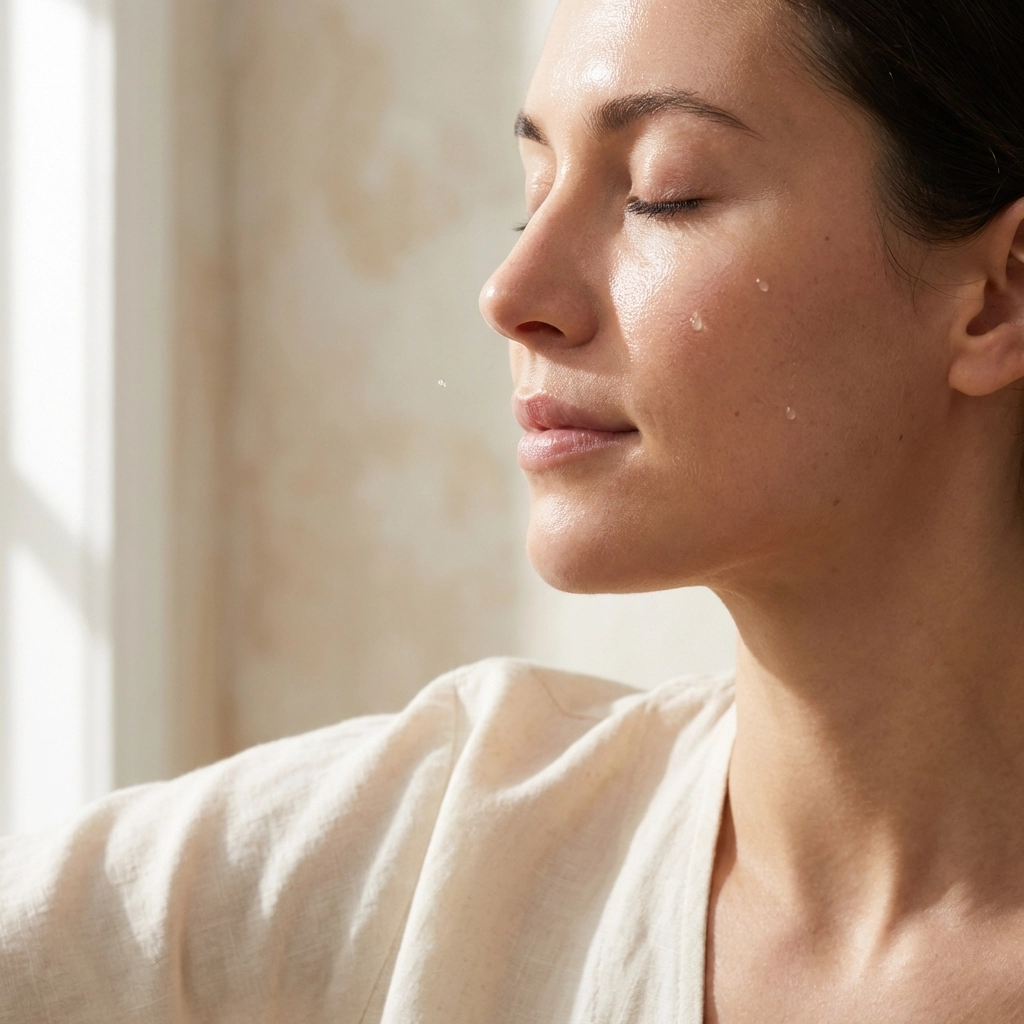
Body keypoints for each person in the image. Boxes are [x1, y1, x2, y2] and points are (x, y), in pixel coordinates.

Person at [2, 0, 1024, 1019]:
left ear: (997, 296)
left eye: (660, 193)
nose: (512, 288)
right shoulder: (438, 858)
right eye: (533, 195)